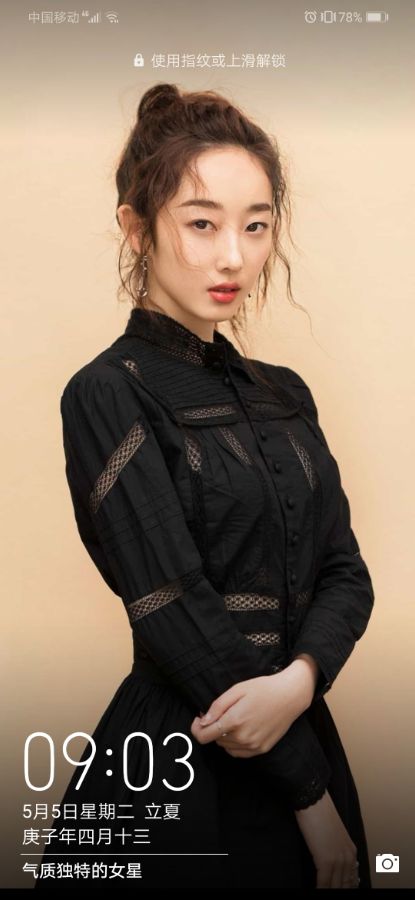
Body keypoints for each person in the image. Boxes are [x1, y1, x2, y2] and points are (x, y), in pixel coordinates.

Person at [35, 83, 374, 890]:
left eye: (255, 225)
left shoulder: (286, 393)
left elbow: (344, 573)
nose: (233, 257)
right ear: (136, 228)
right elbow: (170, 602)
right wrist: (311, 796)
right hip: (181, 754)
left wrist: (296, 683)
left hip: (299, 725)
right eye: (201, 223)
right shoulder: (106, 392)